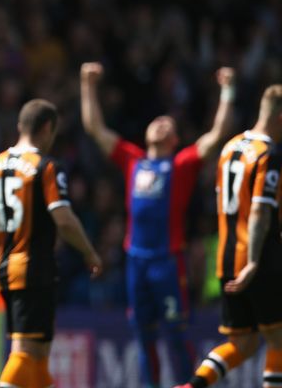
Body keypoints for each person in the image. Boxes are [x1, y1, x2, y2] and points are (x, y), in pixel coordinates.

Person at [80, 63, 235, 387]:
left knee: (176, 335)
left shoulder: (181, 164)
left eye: (168, 124)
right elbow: (94, 127)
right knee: (142, 336)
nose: (161, 124)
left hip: (168, 260)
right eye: (158, 121)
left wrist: (227, 91)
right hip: (135, 261)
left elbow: (217, 134)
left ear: (176, 139)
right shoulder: (132, 159)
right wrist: (87, 84)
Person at [0, 99, 102, 388]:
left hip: (5, 267)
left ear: (20, 127)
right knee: (26, 353)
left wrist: (3, 241)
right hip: (33, 267)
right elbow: (63, 220)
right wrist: (89, 252)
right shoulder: (46, 167)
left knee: (39, 355)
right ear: (47, 129)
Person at [175, 85, 282, 388]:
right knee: (278, 339)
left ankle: (191, 386)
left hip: (225, 256)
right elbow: (259, 211)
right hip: (258, 257)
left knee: (241, 344)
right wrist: (254, 261)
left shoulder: (230, 147)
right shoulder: (268, 154)